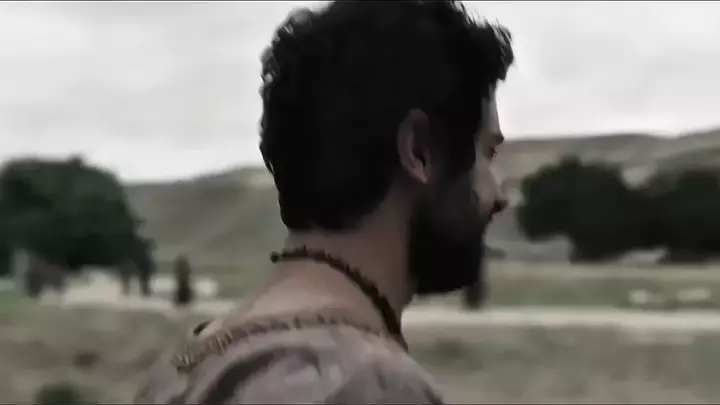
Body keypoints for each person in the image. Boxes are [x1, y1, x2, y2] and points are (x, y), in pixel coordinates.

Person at [134, 1, 514, 403]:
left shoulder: (182, 369)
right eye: (487, 154)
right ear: (418, 151)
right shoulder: (366, 385)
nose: (500, 195)